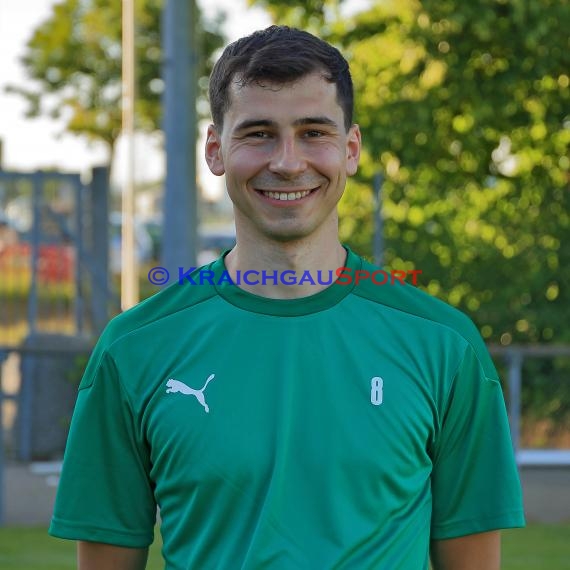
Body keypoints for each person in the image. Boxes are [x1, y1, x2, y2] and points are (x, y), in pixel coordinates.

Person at [49, 25, 525, 569]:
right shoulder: (133, 349)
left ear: (350, 150)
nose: (288, 162)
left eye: (313, 132)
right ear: (215, 149)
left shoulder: (444, 345)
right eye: (258, 134)